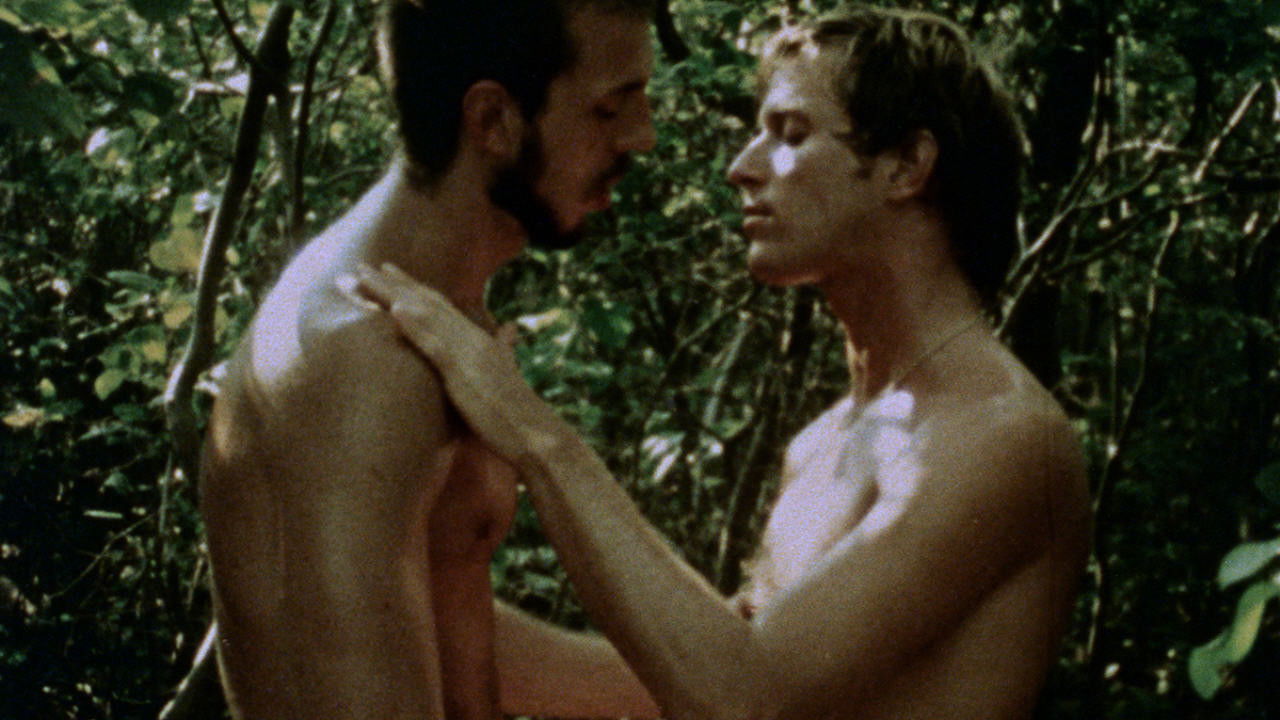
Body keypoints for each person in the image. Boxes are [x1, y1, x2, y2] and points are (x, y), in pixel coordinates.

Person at [353, 5, 1093, 719]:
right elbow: (679, 674)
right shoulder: (826, 443)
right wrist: (399, 583)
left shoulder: (998, 436)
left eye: (791, 133)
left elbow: (743, 699)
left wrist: (530, 431)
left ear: (906, 166)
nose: (742, 168)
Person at [199, 0, 662, 718]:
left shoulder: (434, 318)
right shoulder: (360, 359)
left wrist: (739, 666)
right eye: (611, 108)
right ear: (492, 121)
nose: (645, 136)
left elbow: (409, 623)